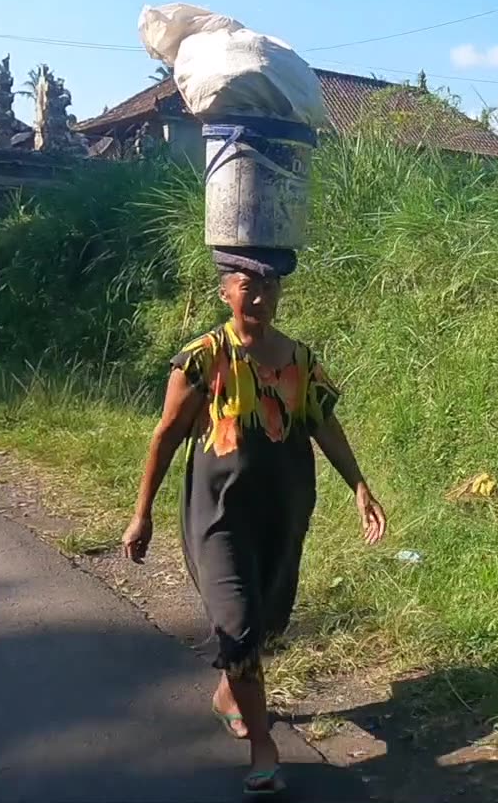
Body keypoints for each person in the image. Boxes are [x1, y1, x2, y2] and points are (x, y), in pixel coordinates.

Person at [123, 250, 386, 797]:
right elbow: (166, 435)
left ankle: (230, 694)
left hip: (283, 508)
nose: (260, 298)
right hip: (218, 512)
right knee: (237, 622)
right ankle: (263, 746)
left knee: (267, 618)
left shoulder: (298, 358)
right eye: (248, 287)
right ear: (226, 293)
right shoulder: (201, 359)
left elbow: (324, 425)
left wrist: (359, 484)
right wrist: (141, 513)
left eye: (269, 288)